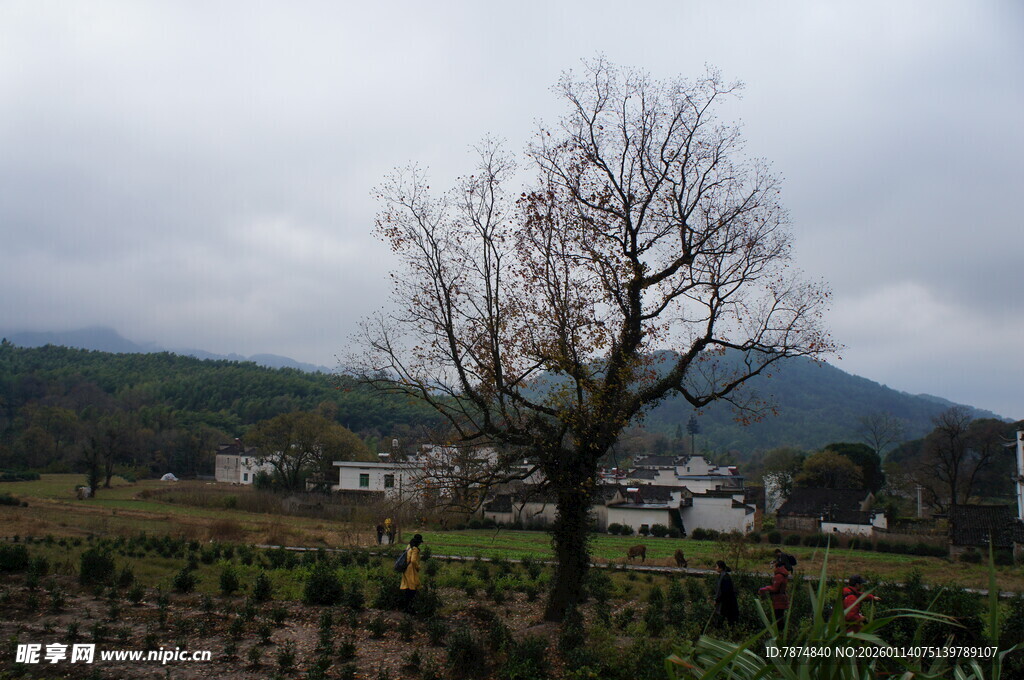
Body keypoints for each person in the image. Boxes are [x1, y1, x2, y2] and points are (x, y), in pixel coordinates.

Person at [759, 559, 790, 629]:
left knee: (778, 619)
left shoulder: (778, 576)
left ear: (777, 566)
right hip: (782, 599)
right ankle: (781, 634)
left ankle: (778, 634)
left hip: (778, 600)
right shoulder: (784, 575)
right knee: (780, 617)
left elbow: (774, 588)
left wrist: (764, 589)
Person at [399, 533, 424, 613]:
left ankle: (405, 608)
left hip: (406, 569)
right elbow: (413, 560)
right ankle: (410, 608)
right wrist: (418, 567)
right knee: (412, 588)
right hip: (411, 570)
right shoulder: (415, 549)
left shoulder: (409, 546)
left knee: (407, 588)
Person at [713, 560, 739, 626]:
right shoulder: (722, 576)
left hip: (728, 603)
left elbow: (725, 592)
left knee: (727, 619)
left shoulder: (725, 578)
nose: (715, 568)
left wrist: (717, 600)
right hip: (725, 602)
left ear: (720, 568)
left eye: (716, 566)